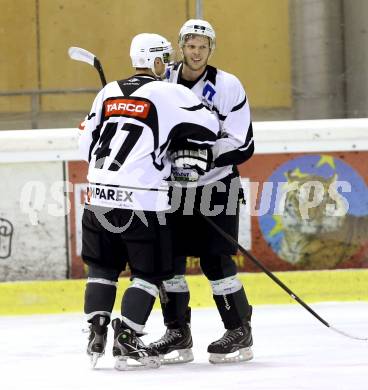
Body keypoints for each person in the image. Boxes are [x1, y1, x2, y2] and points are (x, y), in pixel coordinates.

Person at [79, 32, 219, 370]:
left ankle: (96, 329)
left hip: (98, 198)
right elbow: (210, 125)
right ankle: (126, 337)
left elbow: (85, 145)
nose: (168, 64)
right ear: (155, 60)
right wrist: (174, 147)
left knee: (102, 268)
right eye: (166, 59)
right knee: (148, 273)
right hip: (143, 202)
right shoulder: (168, 92)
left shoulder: (107, 92)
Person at [149, 19, 255, 364]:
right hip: (172, 188)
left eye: (203, 46)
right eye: (191, 45)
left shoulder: (228, 85)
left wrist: (203, 155)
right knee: (170, 262)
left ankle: (239, 330)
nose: (196, 52)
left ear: (211, 49)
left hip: (216, 185)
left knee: (216, 260)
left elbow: (244, 143)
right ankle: (178, 333)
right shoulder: (163, 80)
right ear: (182, 47)